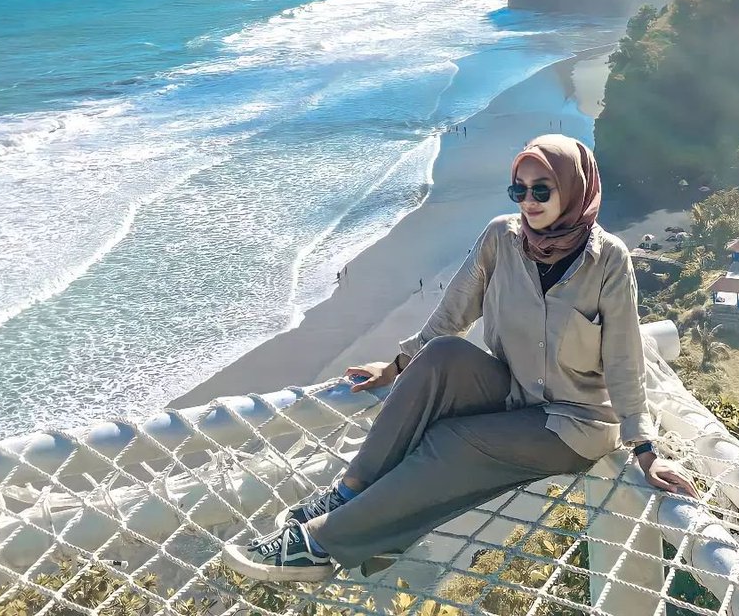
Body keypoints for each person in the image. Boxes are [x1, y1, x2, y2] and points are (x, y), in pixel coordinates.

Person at [223, 134, 697, 584]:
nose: (528, 200)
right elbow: (451, 315)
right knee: (443, 354)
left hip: (575, 422)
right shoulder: (502, 238)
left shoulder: (608, 259)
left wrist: (644, 449)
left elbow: (623, 359)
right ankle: (348, 492)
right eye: (518, 189)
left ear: (574, 188)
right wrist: (396, 365)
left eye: (541, 189)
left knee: (450, 441)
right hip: (513, 391)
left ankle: (322, 544)